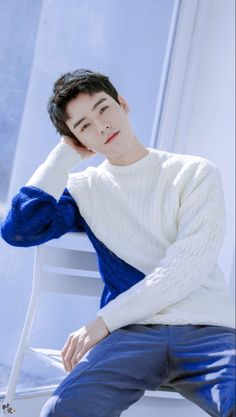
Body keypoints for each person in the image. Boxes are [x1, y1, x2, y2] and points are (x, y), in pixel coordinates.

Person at [1, 68, 235, 417]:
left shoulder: (195, 173)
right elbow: (19, 228)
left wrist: (101, 322)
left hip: (207, 329)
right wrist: (64, 155)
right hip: (130, 335)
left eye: (103, 109)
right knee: (61, 410)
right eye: (83, 126)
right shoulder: (86, 190)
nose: (100, 126)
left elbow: (185, 269)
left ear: (122, 104)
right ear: (79, 140)